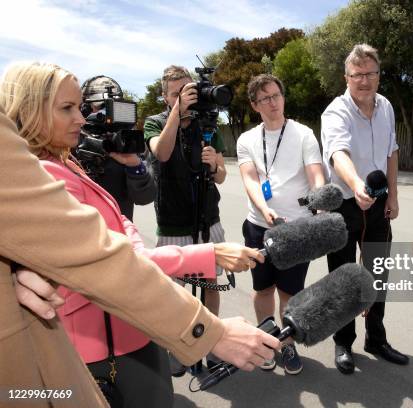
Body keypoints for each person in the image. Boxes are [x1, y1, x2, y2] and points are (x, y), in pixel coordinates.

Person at [0, 61, 271, 408]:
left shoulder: (66, 161)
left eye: (79, 107)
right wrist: (209, 256)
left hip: (135, 330)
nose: (82, 120)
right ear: (29, 110)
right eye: (67, 109)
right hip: (108, 349)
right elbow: (104, 258)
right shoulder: (45, 174)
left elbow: (119, 215)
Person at [320, 43, 408, 375]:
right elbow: (337, 153)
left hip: (379, 204)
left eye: (371, 73)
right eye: (357, 74)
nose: (364, 80)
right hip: (345, 204)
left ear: (378, 75)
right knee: (344, 279)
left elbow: (391, 154)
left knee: (378, 275)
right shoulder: (335, 111)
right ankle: (343, 343)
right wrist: (356, 184)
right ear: (347, 77)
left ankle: (376, 339)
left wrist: (393, 196)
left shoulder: (386, 107)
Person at [236, 73, 325, 375]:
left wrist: (321, 199)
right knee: (263, 289)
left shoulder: (304, 134)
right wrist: (264, 210)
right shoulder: (246, 139)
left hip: (297, 228)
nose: (273, 103)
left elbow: (315, 173)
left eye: (276, 95)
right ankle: (266, 340)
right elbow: (249, 179)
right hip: (258, 226)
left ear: (283, 97)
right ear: (255, 105)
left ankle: (286, 344)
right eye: (265, 99)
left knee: (289, 293)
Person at [144, 65, 227, 375]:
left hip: (207, 219)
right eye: (175, 93)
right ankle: (178, 346)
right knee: (176, 291)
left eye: (186, 90)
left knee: (210, 284)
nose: (183, 97)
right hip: (173, 221)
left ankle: (212, 342)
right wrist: (178, 113)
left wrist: (215, 166)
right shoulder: (156, 123)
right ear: (166, 97)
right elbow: (162, 153)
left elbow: (220, 175)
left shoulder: (207, 124)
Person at [77, 75, 156, 221]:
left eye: (113, 105)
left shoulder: (127, 142)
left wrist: (135, 166)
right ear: (84, 108)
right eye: (101, 106)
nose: (107, 111)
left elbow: (145, 198)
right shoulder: (69, 141)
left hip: (121, 235)